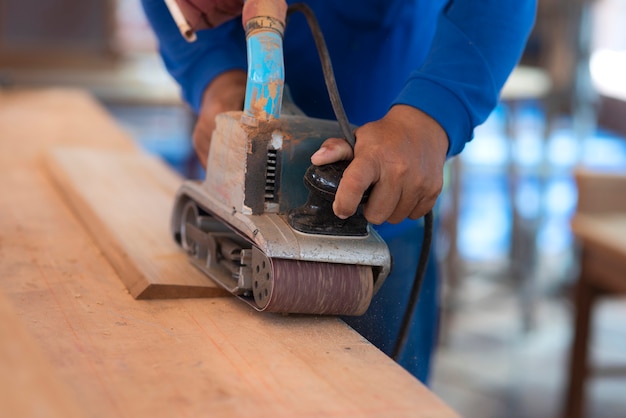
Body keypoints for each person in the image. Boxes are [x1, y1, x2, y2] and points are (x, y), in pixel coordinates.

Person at [141, 0, 536, 383]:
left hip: (382, 199)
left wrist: (432, 113)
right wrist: (215, 75)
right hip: (240, 208)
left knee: (384, 395)